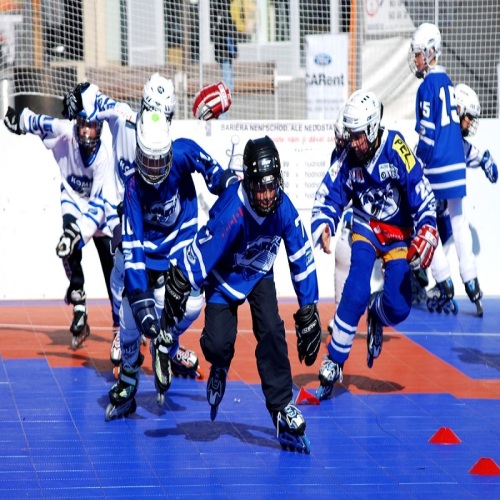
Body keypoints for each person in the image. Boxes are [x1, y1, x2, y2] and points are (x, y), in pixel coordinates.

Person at [161, 136, 321, 453]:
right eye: (259, 188)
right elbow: (203, 250)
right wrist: (181, 278)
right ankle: (220, 365)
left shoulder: (284, 208)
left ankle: (281, 407)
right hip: (223, 277)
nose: (265, 195)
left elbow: (301, 255)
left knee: (272, 331)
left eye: (271, 186)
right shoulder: (232, 212)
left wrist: (309, 310)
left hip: (259, 271)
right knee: (217, 345)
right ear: (248, 183)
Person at [64, 76, 232, 376]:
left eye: (168, 116)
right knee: (123, 270)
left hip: (167, 227)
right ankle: (122, 331)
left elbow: (208, 167)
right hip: (125, 210)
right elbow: (89, 94)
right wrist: (74, 98)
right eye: (160, 114)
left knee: (185, 297)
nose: (163, 121)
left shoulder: (167, 141)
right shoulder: (121, 116)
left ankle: (167, 342)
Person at [311, 90, 438, 400]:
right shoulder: (347, 157)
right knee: (355, 288)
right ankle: (333, 361)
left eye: (357, 136)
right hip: (366, 226)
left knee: (400, 307)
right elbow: (329, 193)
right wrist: (325, 223)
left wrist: (428, 227)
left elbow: (421, 190)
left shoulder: (396, 147)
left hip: (397, 232)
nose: (352, 142)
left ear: (371, 127)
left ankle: (377, 313)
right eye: (349, 135)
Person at [4, 105, 118, 350]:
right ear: (76, 125)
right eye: (83, 125)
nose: (87, 132)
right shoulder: (65, 133)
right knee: (68, 250)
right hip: (73, 202)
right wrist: (20, 120)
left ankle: (122, 326)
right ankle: (79, 303)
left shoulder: (105, 158)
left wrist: (78, 234)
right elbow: (41, 122)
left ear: (99, 128)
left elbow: (98, 206)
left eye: (92, 126)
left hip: (99, 215)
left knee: (113, 274)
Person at [408, 22, 484, 317]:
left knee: (423, 221)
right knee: (459, 220)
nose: (415, 59)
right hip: (456, 164)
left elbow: (427, 134)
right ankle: (472, 281)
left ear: (430, 52)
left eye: (418, 54)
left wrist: (415, 162)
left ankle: (444, 281)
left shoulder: (427, 86)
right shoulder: (450, 84)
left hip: (436, 164)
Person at [412, 83, 498, 313]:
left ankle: (448, 282)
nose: (470, 124)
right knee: (442, 224)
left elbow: (468, 151)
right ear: (457, 110)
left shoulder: (446, 138)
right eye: (468, 117)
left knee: (450, 224)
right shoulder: (443, 139)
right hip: (423, 207)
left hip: (437, 210)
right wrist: (484, 160)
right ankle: (436, 280)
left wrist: (484, 159)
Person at [212, 1, 238, 117]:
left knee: (228, 81)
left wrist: (233, 51)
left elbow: (228, 37)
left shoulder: (223, 21)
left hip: (225, 56)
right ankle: (224, 117)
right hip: (225, 56)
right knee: (227, 84)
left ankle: (224, 115)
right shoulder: (224, 20)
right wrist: (233, 51)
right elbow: (228, 37)